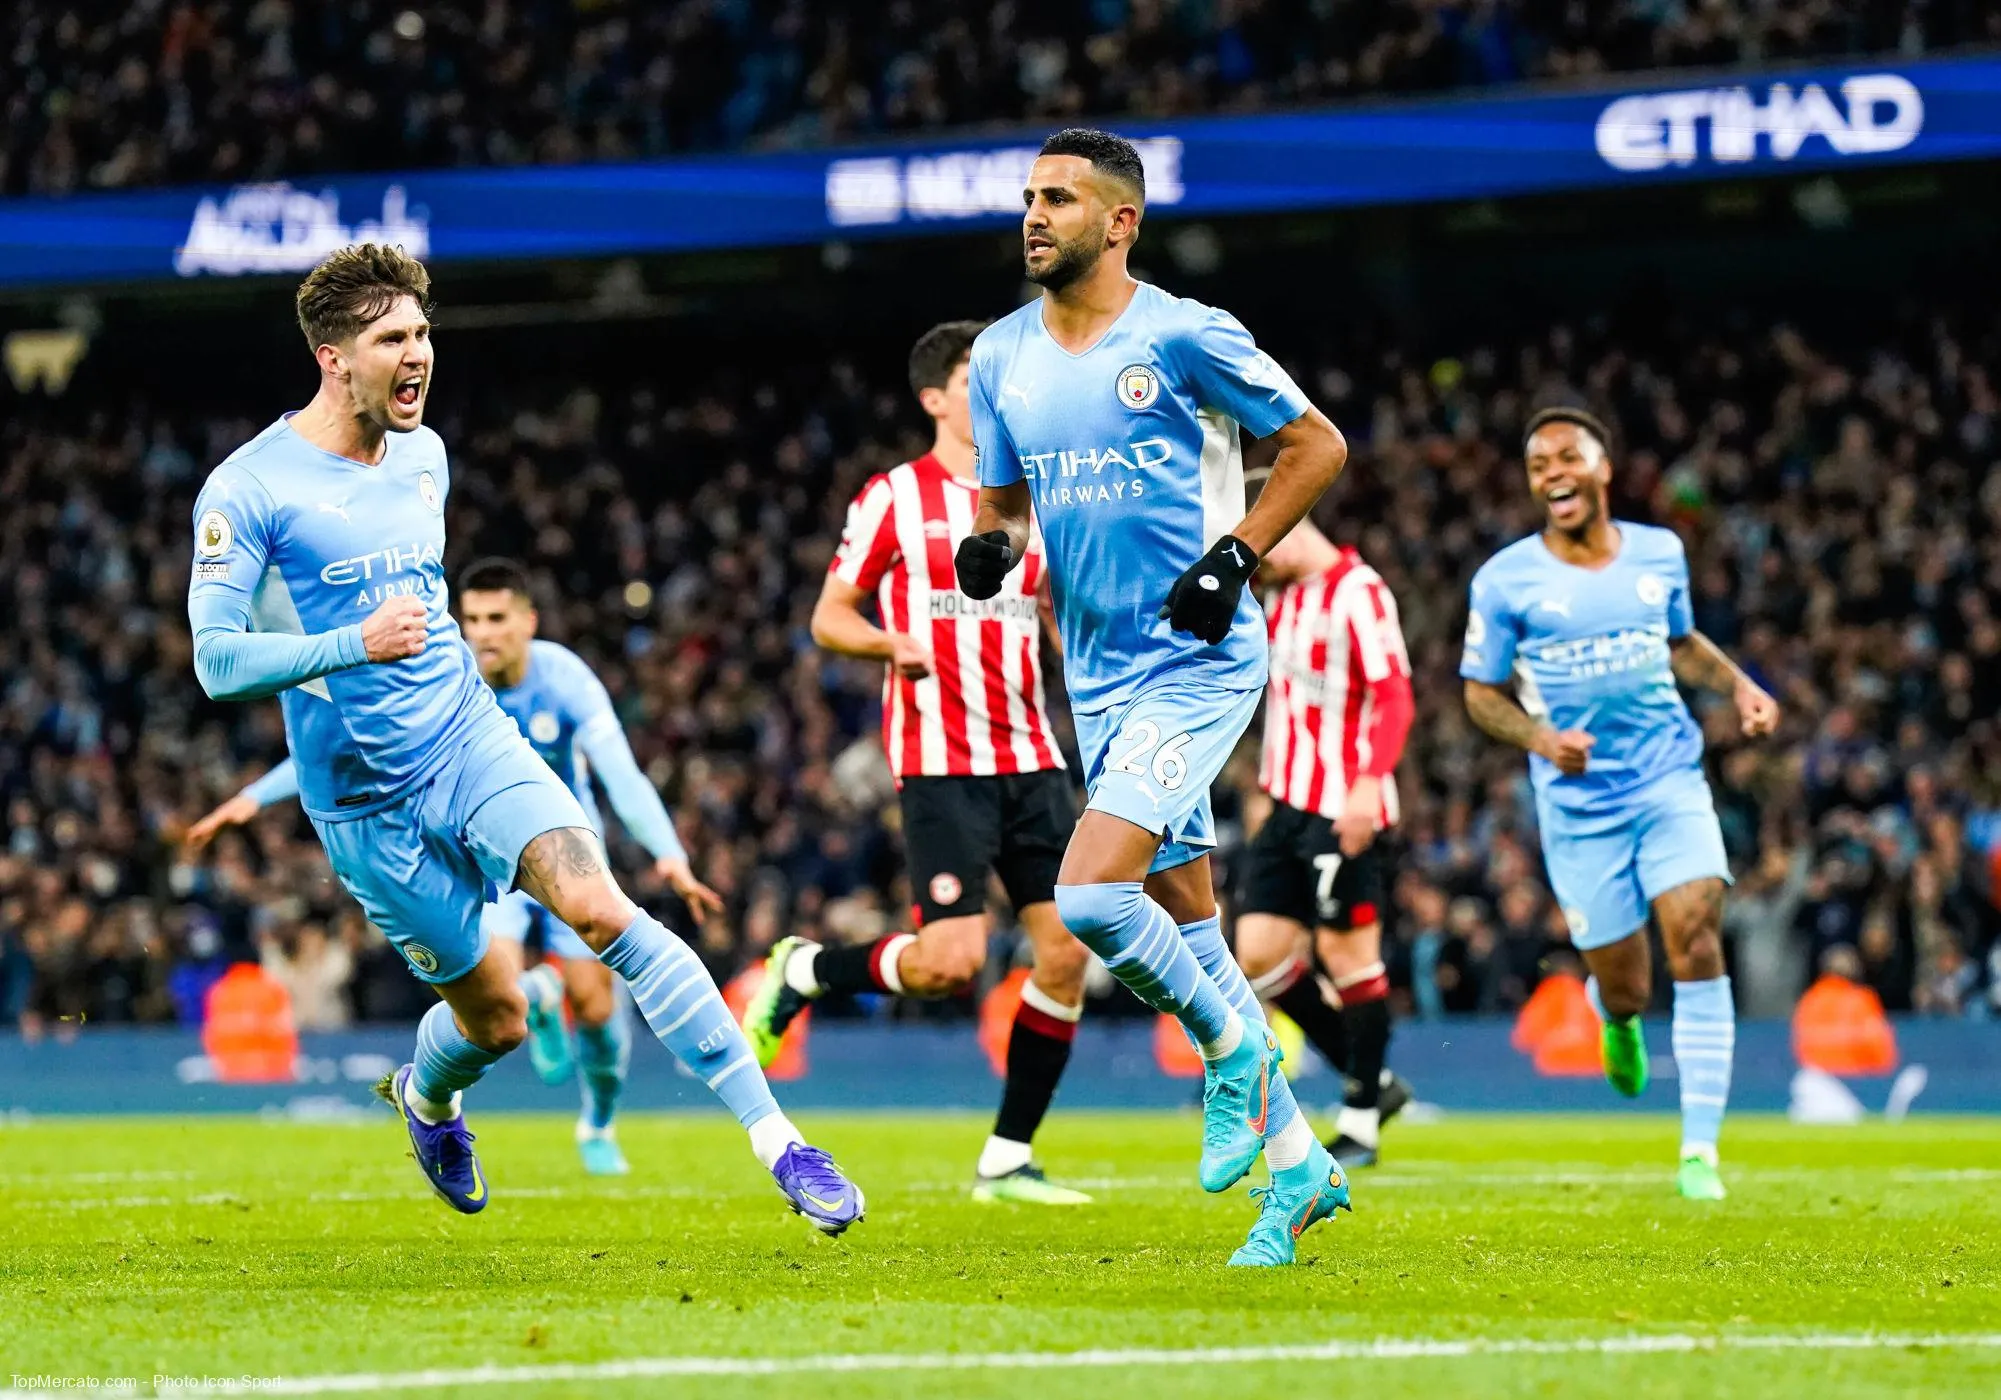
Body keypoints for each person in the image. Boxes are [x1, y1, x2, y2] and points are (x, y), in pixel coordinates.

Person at [183, 243, 861, 1230]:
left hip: (469, 738)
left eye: (423, 333)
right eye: (390, 339)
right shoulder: (249, 489)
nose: (418, 354)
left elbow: (422, 607)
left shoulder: (425, 455)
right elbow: (215, 660)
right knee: (496, 1017)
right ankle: (428, 1098)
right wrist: (350, 644)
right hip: (365, 802)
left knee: (597, 905)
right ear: (333, 358)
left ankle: (783, 1143)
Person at [955, 128, 1351, 1266]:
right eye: (1028, 197)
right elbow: (1001, 509)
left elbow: (1316, 444)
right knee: (1189, 922)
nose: (1034, 216)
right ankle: (1301, 1171)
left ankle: (1232, 1053)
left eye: (1060, 200)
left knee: (1086, 899)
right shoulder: (998, 356)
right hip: (1100, 677)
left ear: (1121, 222)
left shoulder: (1184, 333)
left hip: (1200, 661)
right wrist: (991, 550)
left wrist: (1240, 551)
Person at [187, 556, 725, 1178]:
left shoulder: (565, 680)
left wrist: (671, 858)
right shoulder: (443, 671)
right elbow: (345, 750)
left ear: (528, 621)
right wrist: (255, 797)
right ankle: (527, 1008)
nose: (484, 633)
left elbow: (622, 776)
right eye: (471, 618)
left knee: (598, 1008)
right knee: (491, 987)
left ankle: (596, 1121)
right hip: (476, 850)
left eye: (497, 618)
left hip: (556, 849)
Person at [742, 321, 1093, 1205]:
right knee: (947, 964)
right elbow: (830, 617)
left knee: (1064, 954)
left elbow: (1052, 615)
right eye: (976, 380)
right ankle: (805, 971)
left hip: (1033, 758)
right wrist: (887, 643)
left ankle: (1007, 1157)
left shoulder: (1031, 502)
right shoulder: (895, 497)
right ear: (935, 397)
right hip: (941, 762)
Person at [1460, 405, 1780, 1200]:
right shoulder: (1504, 580)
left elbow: (1677, 644)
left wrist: (1739, 684)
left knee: (1696, 928)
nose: (1552, 473)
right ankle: (1617, 1012)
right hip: (1578, 805)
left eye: (1566, 456)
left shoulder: (1659, 553)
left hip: (1667, 776)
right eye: (1537, 465)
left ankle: (1698, 1151)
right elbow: (1478, 693)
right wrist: (1538, 737)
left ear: (1602, 468)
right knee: (1630, 979)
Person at [1230, 476, 1416, 1168]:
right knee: (1258, 954)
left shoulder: (1358, 592)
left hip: (1343, 807)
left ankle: (1362, 1116)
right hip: (1283, 803)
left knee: (1347, 958)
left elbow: (1393, 696)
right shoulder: (1280, 597)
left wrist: (1368, 785)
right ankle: (1377, 1079)